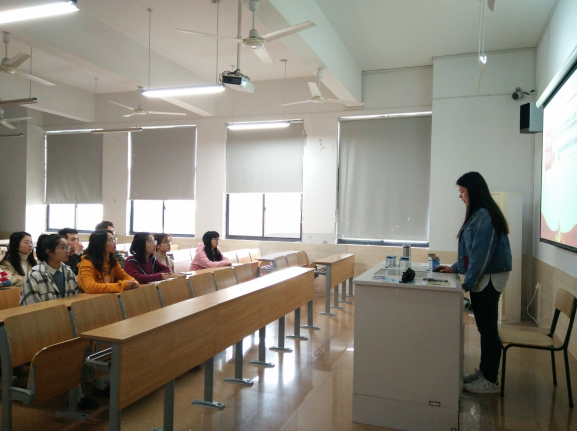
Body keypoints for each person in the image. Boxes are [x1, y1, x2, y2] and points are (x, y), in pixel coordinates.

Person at [436, 172, 512, 394]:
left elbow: (481, 256)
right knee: (483, 327)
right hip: (484, 275)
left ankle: (490, 380)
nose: (460, 196)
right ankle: (484, 372)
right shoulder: (478, 214)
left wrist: (467, 283)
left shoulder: (485, 216)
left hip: (489, 277)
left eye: (462, 191)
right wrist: (455, 268)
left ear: (473, 190)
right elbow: (470, 252)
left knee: (487, 329)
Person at [20, 234, 80, 305]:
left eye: (67, 247)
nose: (67, 251)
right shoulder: (34, 275)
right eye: (63, 247)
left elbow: (77, 299)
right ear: (49, 252)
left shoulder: (68, 272)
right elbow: (31, 307)